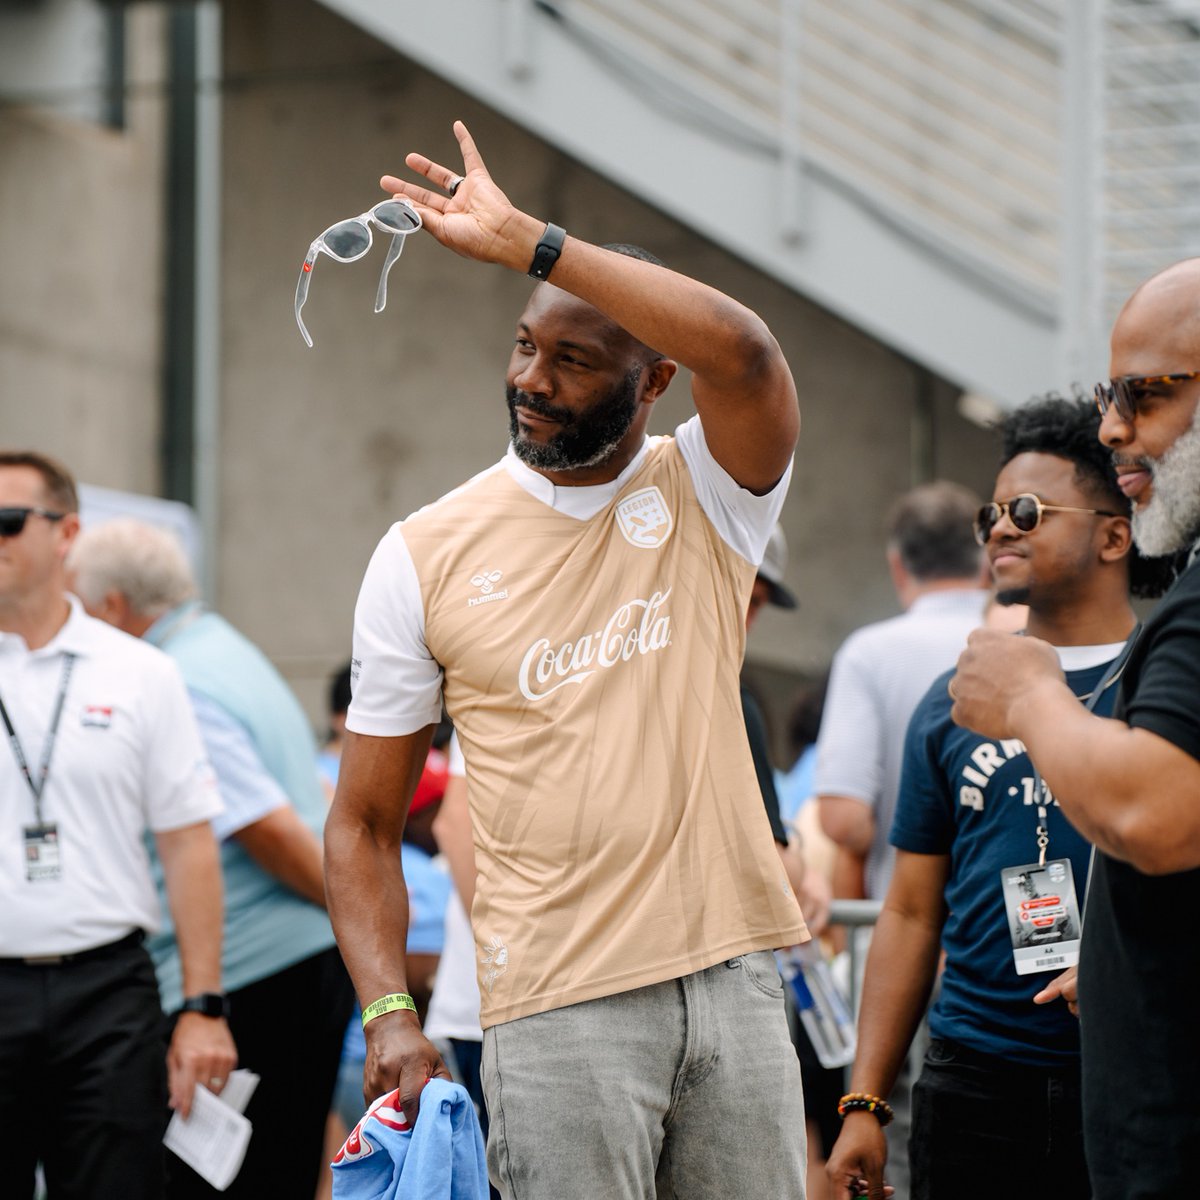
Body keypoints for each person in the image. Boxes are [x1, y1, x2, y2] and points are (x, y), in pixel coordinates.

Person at [324, 120, 809, 1199]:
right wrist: (388, 1011)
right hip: (557, 1004)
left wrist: (531, 243)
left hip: (735, 979)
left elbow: (753, 356)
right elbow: (362, 821)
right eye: (524, 346)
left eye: (576, 360)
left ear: (655, 383)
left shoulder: (711, 494)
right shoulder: (423, 552)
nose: (533, 380)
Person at [827, 395, 1170, 1200]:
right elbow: (911, 910)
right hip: (972, 1078)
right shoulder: (959, 694)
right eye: (993, 512)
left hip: (1133, 1078)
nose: (1000, 529)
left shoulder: (1165, 679)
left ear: (1115, 534)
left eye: (1028, 510)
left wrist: (1126, 968)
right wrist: (866, 1099)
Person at [948, 259, 1200, 1198]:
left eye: (1144, 394)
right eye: (1108, 395)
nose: (1113, 427)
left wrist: (1028, 698)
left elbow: (1158, 811)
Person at [67, 517, 354, 1200]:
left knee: (221, 1181)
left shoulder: (176, 679)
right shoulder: (225, 648)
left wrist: (360, 913)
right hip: (292, 960)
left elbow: (267, 828)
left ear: (112, 606)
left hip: (255, 974)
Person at [0, 451, 234, 1200]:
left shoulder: (140, 672)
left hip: (108, 993)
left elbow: (188, 843)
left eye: (8, 522)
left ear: (66, 532)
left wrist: (203, 1008)